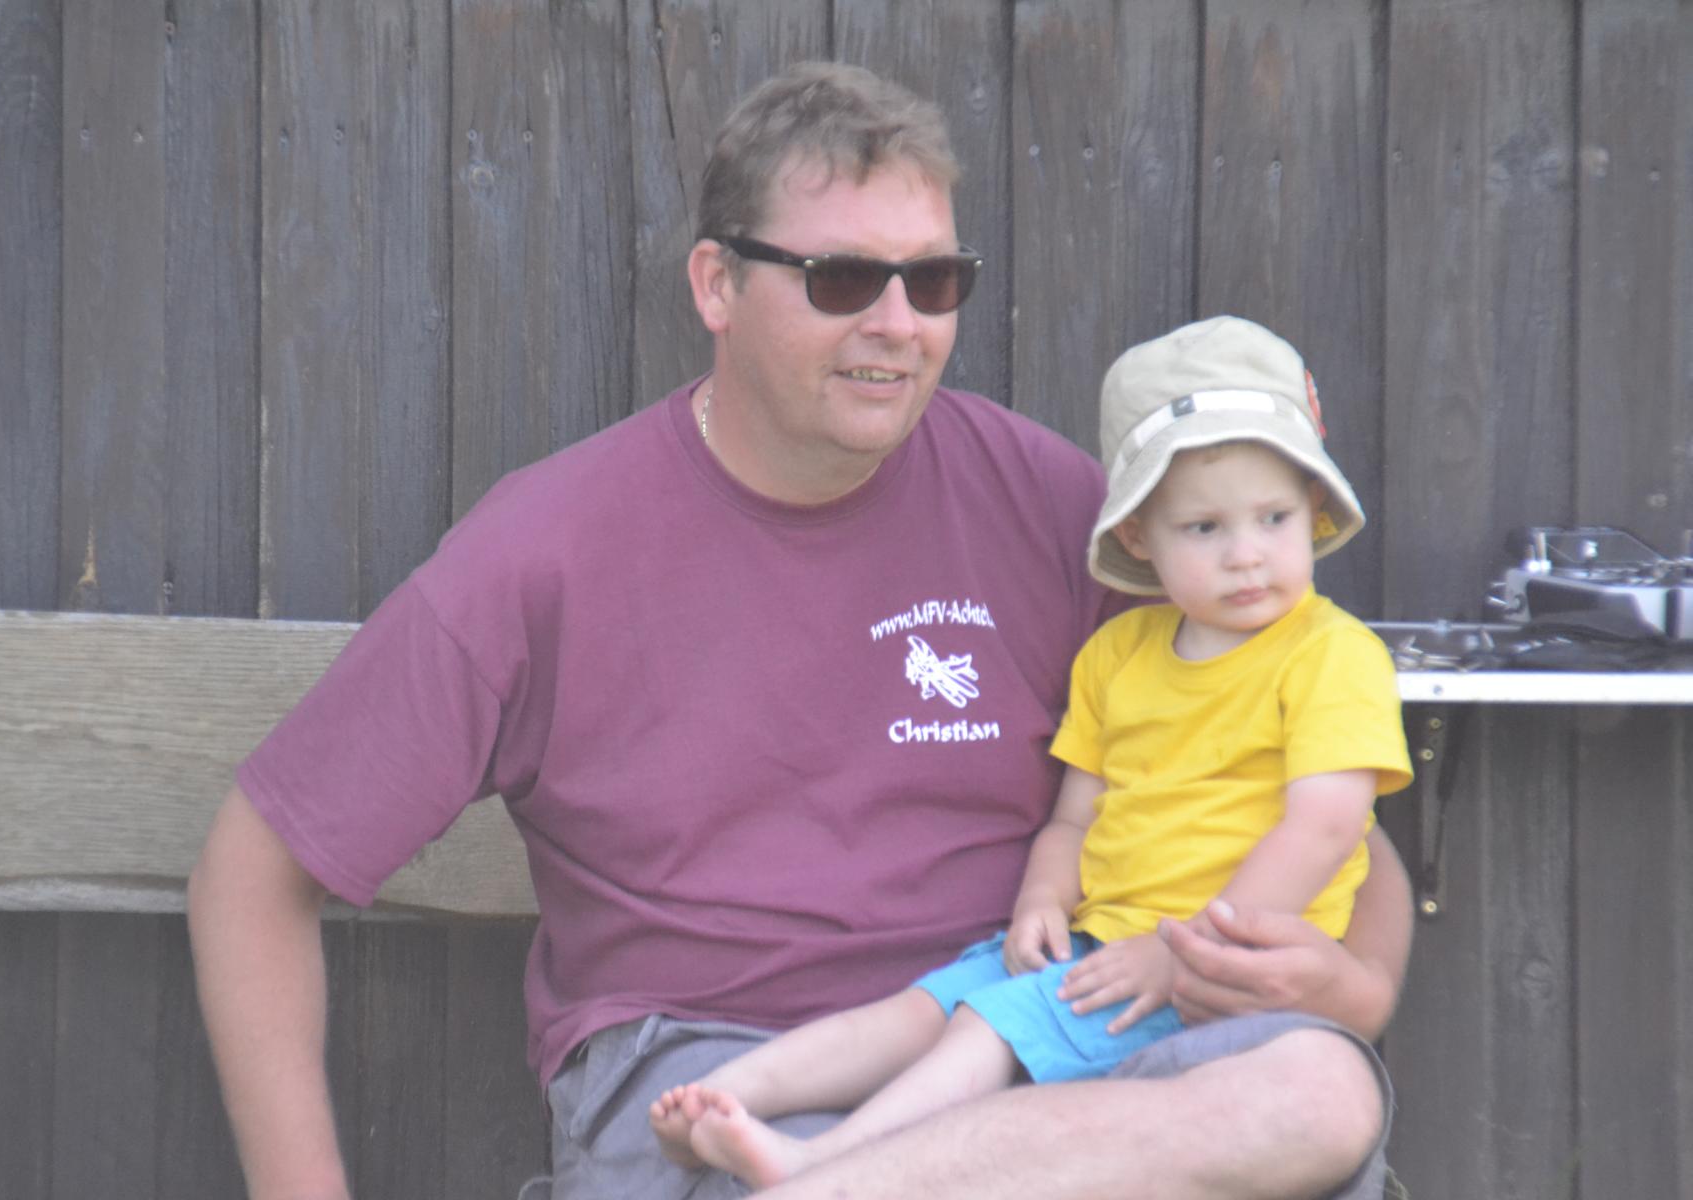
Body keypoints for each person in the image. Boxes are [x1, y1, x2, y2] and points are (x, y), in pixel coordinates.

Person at [186, 62, 1414, 1200]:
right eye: (841, 279)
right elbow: (255, 870)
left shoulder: (1057, 508)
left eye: (933, 281)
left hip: (1046, 1031)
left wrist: (1352, 983)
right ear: (716, 286)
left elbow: (1318, 805)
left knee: (1317, 1089)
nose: (898, 323)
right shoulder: (547, 550)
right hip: (720, 1073)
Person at [648, 315, 1413, 1191]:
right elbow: (1075, 819)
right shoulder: (1118, 657)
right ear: (1140, 537)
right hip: (1096, 942)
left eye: (1273, 518)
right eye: (1204, 528)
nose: (1246, 556)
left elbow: (1324, 827)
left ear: (1314, 510)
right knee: (923, 1009)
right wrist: (1042, 898)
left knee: (983, 1032)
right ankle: (721, 1096)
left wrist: (1186, 956)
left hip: (1203, 976)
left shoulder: (1330, 655)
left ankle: (818, 1164)